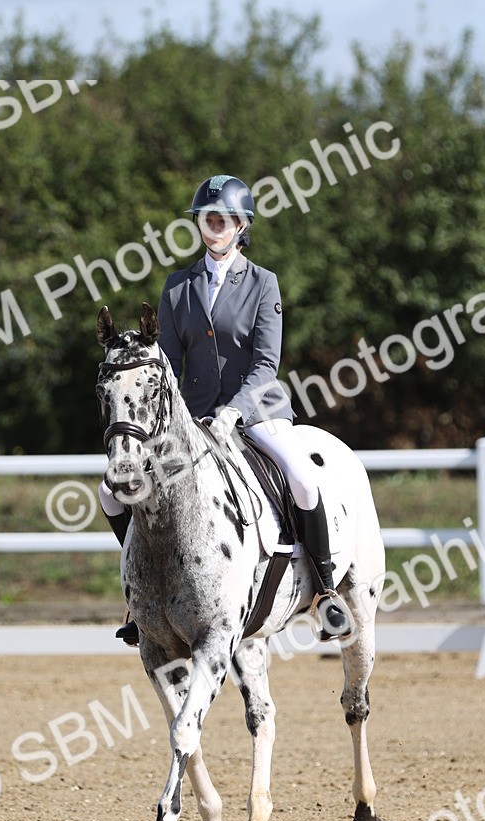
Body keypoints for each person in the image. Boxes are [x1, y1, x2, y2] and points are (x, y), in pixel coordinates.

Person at [99, 174, 351, 644]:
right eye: (205, 218)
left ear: (240, 226)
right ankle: (143, 594)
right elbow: (168, 365)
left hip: (256, 412)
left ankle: (326, 591)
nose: (212, 226)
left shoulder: (263, 284)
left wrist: (234, 410)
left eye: (222, 219)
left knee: (302, 478)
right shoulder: (177, 287)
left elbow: (266, 363)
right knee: (111, 494)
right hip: (191, 422)